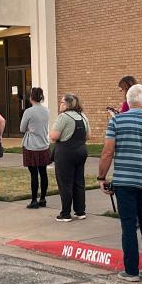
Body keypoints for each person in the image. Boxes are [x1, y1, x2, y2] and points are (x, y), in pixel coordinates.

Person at [98, 84, 142, 281]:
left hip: (124, 182)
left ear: (127, 102)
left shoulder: (116, 121)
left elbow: (107, 152)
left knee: (128, 225)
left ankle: (131, 271)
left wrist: (101, 177)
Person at [50, 93, 90, 221]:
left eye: (62, 102)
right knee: (79, 182)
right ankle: (80, 211)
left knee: (65, 183)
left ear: (67, 104)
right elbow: (88, 136)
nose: (60, 104)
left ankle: (65, 214)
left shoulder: (63, 117)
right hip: (81, 151)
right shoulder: (83, 116)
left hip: (65, 152)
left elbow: (54, 136)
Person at [19, 87, 51, 209]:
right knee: (43, 173)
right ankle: (43, 198)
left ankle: (34, 200)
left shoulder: (28, 112)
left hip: (31, 145)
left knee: (33, 174)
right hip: (44, 145)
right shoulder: (47, 110)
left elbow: (22, 128)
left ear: (31, 97)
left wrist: (29, 128)